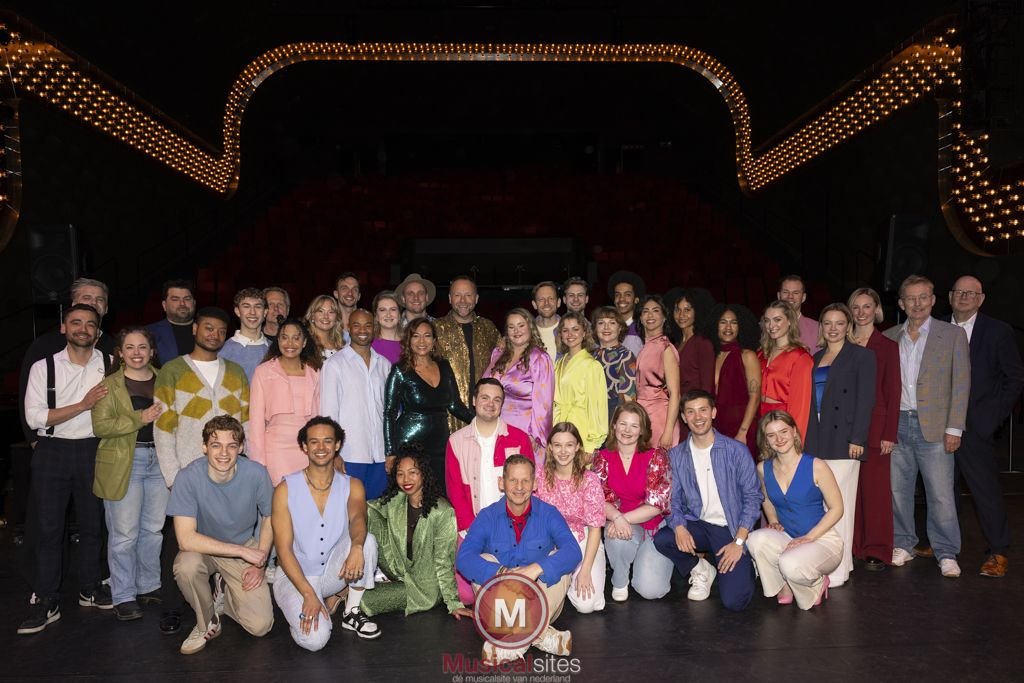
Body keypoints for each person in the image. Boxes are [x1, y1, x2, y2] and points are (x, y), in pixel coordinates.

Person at [153, 306, 249, 635]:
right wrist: (173, 477)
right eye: (208, 328)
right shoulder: (172, 371)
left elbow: (246, 423)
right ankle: (172, 607)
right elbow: (163, 428)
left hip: (229, 473)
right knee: (178, 542)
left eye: (221, 330)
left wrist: (244, 466)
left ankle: (223, 597)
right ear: (195, 329)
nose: (214, 334)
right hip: (188, 473)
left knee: (225, 533)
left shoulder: (235, 372)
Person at [18, 304, 113, 634]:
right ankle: (47, 598)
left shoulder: (110, 364)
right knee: (49, 530)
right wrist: (83, 405)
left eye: (90, 324)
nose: (83, 329)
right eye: (76, 322)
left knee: (93, 525)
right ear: (63, 328)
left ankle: (90, 587)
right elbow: (35, 417)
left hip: (94, 450)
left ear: (98, 332)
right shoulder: (43, 367)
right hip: (52, 450)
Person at [457, 455, 582, 665]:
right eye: (513, 480)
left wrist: (536, 568)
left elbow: (573, 551)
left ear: (534, 484)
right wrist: (502, 573)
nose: (519, 487)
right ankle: (544, 637)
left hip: (541, 599)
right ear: (501, 482)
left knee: (559, 563)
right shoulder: (487, 516)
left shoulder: (549, 513)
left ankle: (512, 644)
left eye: (525, 480)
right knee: (483, 559)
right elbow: (464, 558)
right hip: (502, 603)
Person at [884, 275, 970, 578]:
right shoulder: (889, 337)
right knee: (898, 492)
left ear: (933, 300)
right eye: (911, 298)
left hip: (935, 427)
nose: (917, 303)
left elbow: (961, 384)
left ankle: (946, 552)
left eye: (923, 297)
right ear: (901, 303)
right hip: (897, 424)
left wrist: (954, 428)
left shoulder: (953, 335)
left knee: (941, 495)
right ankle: (903, 544)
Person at [272, 417, 382, 651]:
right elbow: (283, 550)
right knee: (316, 641)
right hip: (295, 577)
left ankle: (351, 612)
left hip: (333, 573)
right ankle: (301, 607)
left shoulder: (353, 485)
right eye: (314, 442)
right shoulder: (285, 489)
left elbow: (358, 518)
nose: (321, 447)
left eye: (328, 441)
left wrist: (357, 547)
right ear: (304, 447)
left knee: (367, 541)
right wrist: (308, 594)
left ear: (337, 445)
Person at [167, 416, 274, 654]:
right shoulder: (187, 477)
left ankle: (225, 590)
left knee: (260, 626)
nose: (224, 453)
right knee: (186, 566)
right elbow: (185, 539)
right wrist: (243, 551)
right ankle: (207, 622)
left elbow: (270, 517)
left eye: (231, 446)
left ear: (241, 448)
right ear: (204, 447)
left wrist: (261, 559)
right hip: (203, 549)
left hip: (243, 546)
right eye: (216, 445)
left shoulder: (256, 474)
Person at [653, 390, 761, 611]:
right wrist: (679, 527)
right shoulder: (676, 456)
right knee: (664, 539)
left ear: (713, 412)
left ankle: (747, 563)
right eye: (690, 412)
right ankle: (701, 567)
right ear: (683, 417)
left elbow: (753, 498)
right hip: (699, 525)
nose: (697, 417)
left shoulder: (736, 451)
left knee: (735, 602)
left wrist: (738, 542)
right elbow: (672, 499)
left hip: (730, 529)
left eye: (703, 410)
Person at [946, 275, 1024, 577]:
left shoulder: (998, 331)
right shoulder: (936, 328)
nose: (964, 297)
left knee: (985, 491)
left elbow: (1014, 378)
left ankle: (998, 551)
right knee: (943, 490)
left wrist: (990, 419)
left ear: (981, 299)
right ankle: (946, 546)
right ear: (950, 296)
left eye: (971, 293)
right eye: (959, 292)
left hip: (976, 427)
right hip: (937, 426)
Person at [91, 327, 166, 621]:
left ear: (152, 351)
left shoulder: (166, 379)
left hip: (160, 462)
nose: (137, 353)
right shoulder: (108, 385)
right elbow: (100, 427)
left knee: (153, 531)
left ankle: (148, 585)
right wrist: (140, 417)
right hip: (126, 462)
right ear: (120, 353)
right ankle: (123, 595)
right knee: (124, 535)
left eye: (143, 347)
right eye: (130, 347)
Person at [804, 304, 876, 587]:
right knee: (823, 505)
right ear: (821, 327)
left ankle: (839, 570)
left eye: (839, 323)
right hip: (818, 437)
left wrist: (858, 438)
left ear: (848, 326)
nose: (833, 328)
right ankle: (832, 562)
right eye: (828, 323)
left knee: (840, 505)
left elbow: (866, 400)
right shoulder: (815, 358)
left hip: (845, 439)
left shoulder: (862, 356)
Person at [445, 378, 534, 604]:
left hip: (512, 527)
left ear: (502, 404)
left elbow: (529, 488)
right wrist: (472, 530)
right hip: (472, 527)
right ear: (474, 400)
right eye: (485, 398)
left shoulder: (519, 439)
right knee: (466, 596)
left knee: (513, 589)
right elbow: (455, 490)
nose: (490, 404)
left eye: (497, 400)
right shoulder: (456, 441)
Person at [747, 411, 843, 611]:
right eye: (771, 435)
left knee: (788, 563)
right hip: (789, 537)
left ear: (794, 432)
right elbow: (766, 499)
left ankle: (816, 583)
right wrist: (773, 519)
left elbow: (837, 508)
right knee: (755, 539)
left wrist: (810, 537)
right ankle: (784, 586)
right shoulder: (763, 468)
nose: (779, 439)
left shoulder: (816, 466)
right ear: (766, 440)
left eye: (783, 432)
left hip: (822, 540)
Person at [362, 445, 469, 619]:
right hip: (398, 570)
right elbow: (369, 508)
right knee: (365, 511)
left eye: (412, 472)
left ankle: (349, 592)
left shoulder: (442, 511)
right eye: (400, 474)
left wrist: (453, 602)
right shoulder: (397, 500)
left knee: (364, 600)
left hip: (423, 588)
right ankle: (378, 577)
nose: (406, 479)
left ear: (423, 474)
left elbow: (444, 561)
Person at [19, 278, 115, 446]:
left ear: (106, 308)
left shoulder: (114, 347)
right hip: (53, 442)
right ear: (73, 304)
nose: (93, 303)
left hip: (100, 444)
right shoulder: (44, 345)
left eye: (99, 299)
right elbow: (26, 396)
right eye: (87, 297)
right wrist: (33, 439)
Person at [593, 402, 673, 601]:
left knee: (651, 591)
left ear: (642, 430)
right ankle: (620, 581)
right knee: (617, 538)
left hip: (653, 526)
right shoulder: (602, 457)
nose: (627, 430)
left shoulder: (656, 456)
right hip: (620, 524)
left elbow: (657, 503)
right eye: (623, 424)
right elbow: (598, 498)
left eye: (634, 425)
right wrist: (616, 517)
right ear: (614, 426)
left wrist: (622, 519)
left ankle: (640, 555)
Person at [848, 287, 901, 571]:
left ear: (876, 309)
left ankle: (877, 548)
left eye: (867, 306)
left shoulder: (887, 346)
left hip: (876, 429)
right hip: (844, 428)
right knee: (848, 492)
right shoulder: (841, 341)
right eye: (856, 307)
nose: (861, 312)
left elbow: (894, 392)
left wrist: (889, 434)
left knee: (875, 493)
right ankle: (852, 545)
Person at [385, 318, 474, 476]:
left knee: (439, 486)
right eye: (416, 336)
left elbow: (454, 405)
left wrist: (480, 421)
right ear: (409, 340)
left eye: (427, 336)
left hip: (440, 443)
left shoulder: (444, 366)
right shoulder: (400, 370)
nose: (422, 341)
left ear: (434, 341)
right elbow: (389, 412)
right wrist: (390, 452)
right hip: (409, 444)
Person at [534, 423, 606, 614]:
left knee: (586, 605)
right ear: (550, 447)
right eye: (557, 445)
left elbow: (595, 528)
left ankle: (575, 577)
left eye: (569, 445)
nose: (563, 451)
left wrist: (585, 570)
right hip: (550, 543)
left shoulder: (589, 480)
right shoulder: (540, 476)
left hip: (583, 540)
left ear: (577, 447)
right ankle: (565, 580)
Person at [321, 309, 391, 499]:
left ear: (374, 328)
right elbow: (328, 414)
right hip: (350, 455)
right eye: (357, 325)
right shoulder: (334, 364)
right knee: (349, 510)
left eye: (368, 325)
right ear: (348, 328)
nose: (362, 330)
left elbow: (390, 412)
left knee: (377, 511)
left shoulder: (384, 365)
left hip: (381, 455)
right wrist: (334, 453)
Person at [248, 319, 322, 487]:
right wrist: (258, 463)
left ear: (304, 342)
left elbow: (321, 416)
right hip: (277, 449)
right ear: (278, 340)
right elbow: (256, 421)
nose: (290, 343)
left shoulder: (315, 371)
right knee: (282, 497)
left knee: (308, 496)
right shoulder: (263, 371)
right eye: (284, 337)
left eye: (296, 338)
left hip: (308, 447)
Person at [483, 308, 554, 459]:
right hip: (495, 427)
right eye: (511, 327)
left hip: (525, 431)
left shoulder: (539, 358)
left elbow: (544, 403)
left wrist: (536, 435)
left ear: (530, 327)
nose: (516, 331)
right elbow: (484, 386)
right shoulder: (498, 354)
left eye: (521, 325)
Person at [434, 275, 501, 432]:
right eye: (457, 295)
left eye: (468, 295)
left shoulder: (488, 328)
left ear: (476, 298)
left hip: (485, 414)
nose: (463, 300)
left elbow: (504, 361)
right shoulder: (435, 329)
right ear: (450, 298)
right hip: (446, 417)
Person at [710, 304, 761, 461]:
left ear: (740, 326)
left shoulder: (747, 356)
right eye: (723, 322)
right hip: (715, 427)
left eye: (733, 322)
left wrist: (743, 432)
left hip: (741, 426)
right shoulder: (710, 355)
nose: (728, 327)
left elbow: (755, 397)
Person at [553, 311, 609, 453]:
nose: (570, 334)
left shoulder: (592, 365)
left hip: (582, 431)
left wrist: (592, 446)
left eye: (575, 329)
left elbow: (598, 408)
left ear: (584, 332)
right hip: (559, 428)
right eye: (565, 330)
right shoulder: (558, 363)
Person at [759, 300, 813, 441]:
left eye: (777, 320)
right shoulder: (760, 354)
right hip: (760, 421)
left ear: (789, 321)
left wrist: (796, 440)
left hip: (783, 421)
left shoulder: (800, 357)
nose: (771, 326)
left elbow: (801, 406)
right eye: (767, 321)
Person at [636, 295, 681, 450]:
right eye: (645, 311)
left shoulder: (666, 348)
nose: (650, 315)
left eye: (655, 311)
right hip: (643, 417)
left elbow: (675, 394)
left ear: (664, 318)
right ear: (640, 318)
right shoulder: (645, 347)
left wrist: (668, 431)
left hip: (660, 417)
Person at [592, 306, 637, 426]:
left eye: (612, 323)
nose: (606, 327)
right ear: (595, 328)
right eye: (601, 323)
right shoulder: (591, 355)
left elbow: (628, 398)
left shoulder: (626, 355)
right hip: (590, 416)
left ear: (620, 328)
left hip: (612, 417)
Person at [671, 288, 715, 397]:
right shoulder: (676, 345)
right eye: (677, 310)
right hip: (678, 404)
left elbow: (707, 386)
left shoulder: (702, 343)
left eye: (687, 310)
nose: (681, 315)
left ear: (697, 312)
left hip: (696, 404)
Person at [218, 288, 269, 381]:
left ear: (265, 312)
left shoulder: (275, 349)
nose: (252, 312)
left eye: (258, 307)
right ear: (237, 311)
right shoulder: (223, 351)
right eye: (246, 306)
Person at [147, 279, 196, 365]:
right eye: (175, 299)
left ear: (194, 303)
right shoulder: (149, 333)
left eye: (187, 299)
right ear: (164, 305)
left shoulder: (210, 331)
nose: (182, 304)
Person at [778, 275, 820, 353]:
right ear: (778, 295)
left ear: (803, 297)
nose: (790, 296)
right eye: (785, 292)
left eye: (796, 293)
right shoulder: (767, 327)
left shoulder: (817, 329)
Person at [608, 270, 645, 356]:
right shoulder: (608, 328)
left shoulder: (641, 329)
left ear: (636, 300)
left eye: (627, 294)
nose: (621, 299)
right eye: (617, 295)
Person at [304, 294, 345, 361]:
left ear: (336, 318)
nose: (326, 316)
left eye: (331, 312)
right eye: (321, 311)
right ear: (312, 316)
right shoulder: (304, 343)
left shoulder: (341, 344)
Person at [371, 290, 402, 364]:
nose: (388, 314)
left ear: (399, 314)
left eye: (393, 309)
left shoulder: (410, 342)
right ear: (376, 316)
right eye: (382, 310)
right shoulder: (368, 344)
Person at [532, 281, 561, 358]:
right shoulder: (526, 332)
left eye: (551, 298)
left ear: (558, 302)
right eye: (541, 299)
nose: (546, 303)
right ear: (534, 304)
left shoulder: (570, 331)